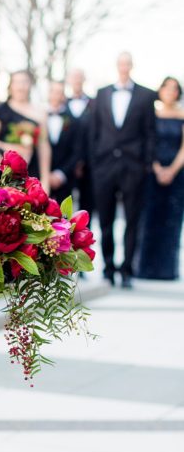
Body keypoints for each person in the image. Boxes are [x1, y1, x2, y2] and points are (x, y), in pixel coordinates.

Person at [90, 51, 156, 287]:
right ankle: (108, 268)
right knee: (105, 220)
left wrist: (145, 164)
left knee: (132, 220)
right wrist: (95, 163)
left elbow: (150, 132)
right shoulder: (102, 93)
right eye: (121, 63)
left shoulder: (146, 95)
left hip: (134, 167)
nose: (124, 67)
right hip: (104, 167)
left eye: (128, 63)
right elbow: (94, 132)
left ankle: (127, 270)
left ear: (132, 66)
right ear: (117, 66)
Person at [136, 76, 184, 280]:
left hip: (177, 173)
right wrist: (156, 168)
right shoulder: (151, 115)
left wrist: (172, 170)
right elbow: (147, 143)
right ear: (160, 90)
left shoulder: (182, 115)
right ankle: (145, 268)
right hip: (152, 172)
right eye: (167, 88)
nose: (171, 92)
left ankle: (167, 269)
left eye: (175, 89)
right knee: (149, 218)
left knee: (171, 219)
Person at [0, 70, 51, 188]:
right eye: (17, 82)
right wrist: (15, 149)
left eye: (24, 82)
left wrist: (45, 180)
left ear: (30, 85)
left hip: (30, 171)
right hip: (2, 170)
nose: (21, 87)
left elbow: (44, 147)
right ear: (10, 86)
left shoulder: (40, 113)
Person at [66, 67, 94, 219]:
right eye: (74, 77)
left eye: (79, 77)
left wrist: (83, 160)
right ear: (69, 80)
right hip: (66, 164)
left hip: (88, 164)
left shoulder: (94, 104)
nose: (77, 80)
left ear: (84, 80)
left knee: (86, 208)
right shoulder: (62, 104)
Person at [46, 80, 80, 204]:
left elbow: (77, 152)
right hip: (40, 179)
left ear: (63, 96)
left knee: (63, 219)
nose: (56, 96)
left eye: (59, 93)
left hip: (65, 180)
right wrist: (46, 174)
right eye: (53, 92)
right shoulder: (38, 117)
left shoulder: (74, 121)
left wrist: (60, 174)